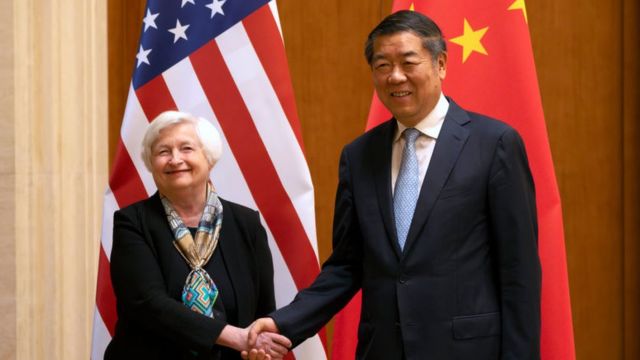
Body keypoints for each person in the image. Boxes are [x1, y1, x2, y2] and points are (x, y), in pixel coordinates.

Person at [244, 10, 541, 360]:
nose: (395, 76)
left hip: (467, 349)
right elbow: (347, 265)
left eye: (408, 62)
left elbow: (518, 270)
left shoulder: (494, 143)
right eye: (382, 65)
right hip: (382, 349)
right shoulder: (359, 155)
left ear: (441, 64)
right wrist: (283, 323)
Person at [105, 111, 291, 360]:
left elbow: (263, 308)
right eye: (163, 152)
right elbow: (147, 303)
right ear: (151, 163)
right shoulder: (132, 222)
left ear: (209, 158)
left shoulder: (246, 223)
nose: (175, 159)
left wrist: (259, 346)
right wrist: (235, 337)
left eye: (186, 148)